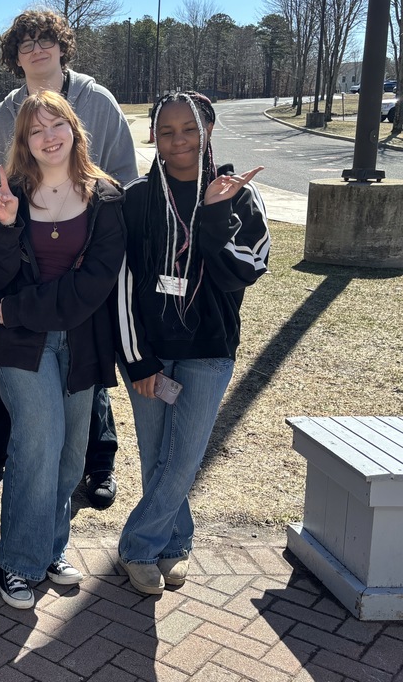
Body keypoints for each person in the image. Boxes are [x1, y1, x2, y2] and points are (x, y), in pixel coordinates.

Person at [0, 8, 138, 510]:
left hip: (83, 270)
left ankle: (98, 462)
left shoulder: (97, 102)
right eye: (26, 43)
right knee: (23, 388)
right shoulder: (1, 118)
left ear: (63, 46)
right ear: (14, 57)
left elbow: (122, 179)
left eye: (47, 39)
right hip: (23, 273)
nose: (37, 48)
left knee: (84, 381)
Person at [115, 91, 269, 595]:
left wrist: (216, 213)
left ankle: (139, 546)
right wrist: (138, 360)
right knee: (157, 453)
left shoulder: (239, 195)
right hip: (151, 353)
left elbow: (242, 274)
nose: (178, 141)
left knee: (183, 459)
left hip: (208, 350)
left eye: (189, 130)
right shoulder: (136, 198)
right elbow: (124, 286)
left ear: (208, 131)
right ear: (154, 137)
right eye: (166, 131)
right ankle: (176, 543)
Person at [0, 90, 125, 609]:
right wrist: (2, 226)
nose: (48, 136)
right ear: (25, 140)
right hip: (21, 345)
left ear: (73, 129)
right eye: (36, 129)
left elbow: (94, 284)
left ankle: (50, 547)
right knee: (38, 442)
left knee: (70, 456)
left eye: (56, 124)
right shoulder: (10, 191)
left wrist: (19, 307)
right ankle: (19, 561)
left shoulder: (105, 199)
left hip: (81, 340)